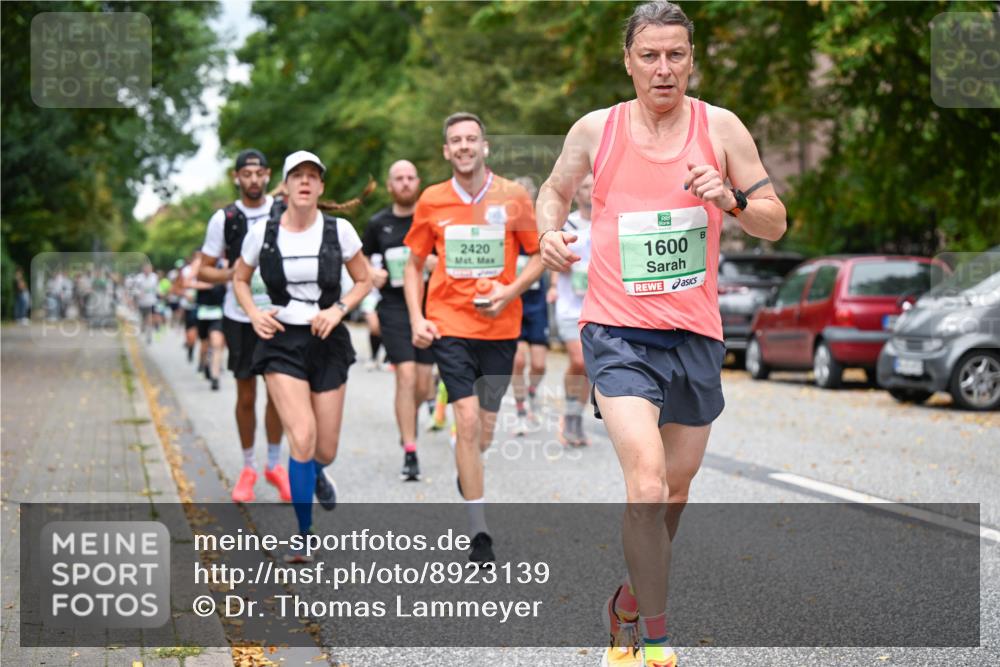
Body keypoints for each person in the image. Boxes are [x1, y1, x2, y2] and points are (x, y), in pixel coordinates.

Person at [535, 3, 787, 665]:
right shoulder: (597, 129)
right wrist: (547, 232)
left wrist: (729, 197)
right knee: (645, 484)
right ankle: (657, 641)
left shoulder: (721, 128)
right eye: (650, 55)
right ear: (629, 61)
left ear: (691, 57)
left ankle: (625, 600)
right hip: (616, 332)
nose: (664, 67)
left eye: (676, 54)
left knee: (673, 490)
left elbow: (774, 221)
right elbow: (554, 189)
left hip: (696, 335)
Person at [403, 112, 542, 565]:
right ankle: (478, 529)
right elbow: (412, 264)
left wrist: (510, 290)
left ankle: (469, 461)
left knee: (483, 431)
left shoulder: (513, 196)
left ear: (485, 147)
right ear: (446, 151)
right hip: (450, 324)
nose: (463, 146)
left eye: (471, 139)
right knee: (464, 420)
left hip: (501, 327)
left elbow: (539, 256)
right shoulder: (431, 200)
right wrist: (417, 317)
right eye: (455, 140)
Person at [234, 150, 371, 564]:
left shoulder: (340, 230)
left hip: (327, 339)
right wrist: (254, 313)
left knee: (324, 450)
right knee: (303, 436)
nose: (305, 182)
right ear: (287, 186)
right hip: (280, 342)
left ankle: (316, 472)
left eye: (313, 176)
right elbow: (240, 279)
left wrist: (338, 309)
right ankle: (305, 534)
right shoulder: (264, 232)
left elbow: (364, 279)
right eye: (298, 176)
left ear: (321, 187)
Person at [199, 149, 289, 503]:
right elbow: (203, 270)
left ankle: (274, 464)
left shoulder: (282, 210)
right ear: (236, 178)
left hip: (277, 314)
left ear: (267, 175)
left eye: (258, 173)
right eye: (245, 174)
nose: (252, 179)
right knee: (246, 393)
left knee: (279, 393)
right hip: (239, 315)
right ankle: (249, 467)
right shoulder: (226, 218)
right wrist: (234, 273)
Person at [362, 160, 437, 481]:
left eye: (410, 178)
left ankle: (412, 413)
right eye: (398, 179)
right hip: (393, 309)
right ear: (390, 186)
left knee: (421, 383)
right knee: (405, 377)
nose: (405, 183)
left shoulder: (432, 219)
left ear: (417, 182)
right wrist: (372, 275)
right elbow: (361, 262)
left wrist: (433, 262)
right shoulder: (378, 224)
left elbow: (450, 257)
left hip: (430, 307)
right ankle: (410, 449)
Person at [547, 173, 594, 447]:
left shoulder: (607, 222)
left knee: (588, 366)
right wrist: (568, 264)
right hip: (569, 305)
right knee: (578, 361)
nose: (589, 192)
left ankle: (575, 418)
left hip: (597, 305)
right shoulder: (568, 224)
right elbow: (553, 261)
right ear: (577, 194)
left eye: (593, 187)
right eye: (584, 187)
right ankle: (569, 411)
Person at [509, 175, 550, 435]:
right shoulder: (504, 225)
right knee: (518, 361)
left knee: (539, 364)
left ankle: (531, 392)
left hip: (536, 302)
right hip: (513, 302)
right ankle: (521, 409)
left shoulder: (540, 225)